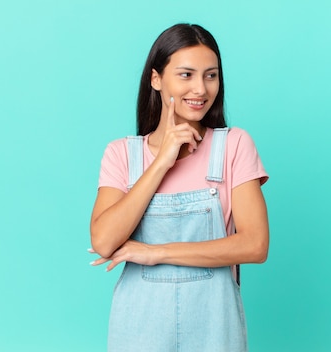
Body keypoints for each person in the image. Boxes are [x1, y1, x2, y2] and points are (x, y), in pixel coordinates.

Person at [89, 23, 269, 352]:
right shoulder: (121, 154)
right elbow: (104, 241)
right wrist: (161, 162)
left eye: (210, 75)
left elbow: (255, 245)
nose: (200, 89)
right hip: (138, 330)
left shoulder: (233, 147)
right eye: (186, 75)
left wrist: (155, 252)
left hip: (215, 328)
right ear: (156, 79)